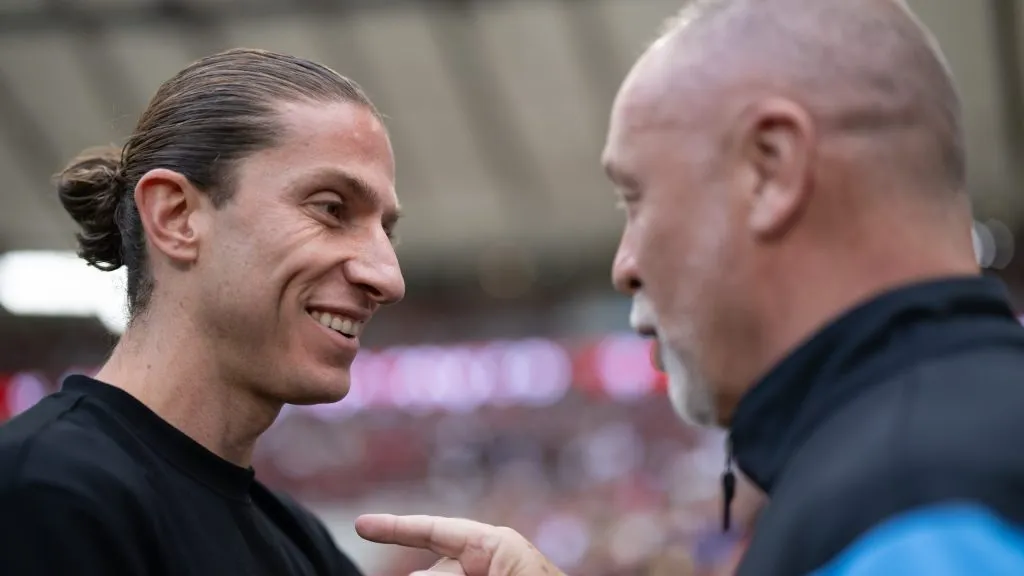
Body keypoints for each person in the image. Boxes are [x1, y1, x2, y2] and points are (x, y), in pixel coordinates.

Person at [354, 0, 1024, 574]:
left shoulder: (907, 499)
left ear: (771, 169)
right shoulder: (934, 451)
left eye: (636, 199)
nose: (625, 265)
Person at [0, 48, 404, 575]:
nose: (387, 277)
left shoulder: (304, 547)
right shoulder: (41, 494)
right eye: (331, 209)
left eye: (386, 230)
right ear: (176, 217)